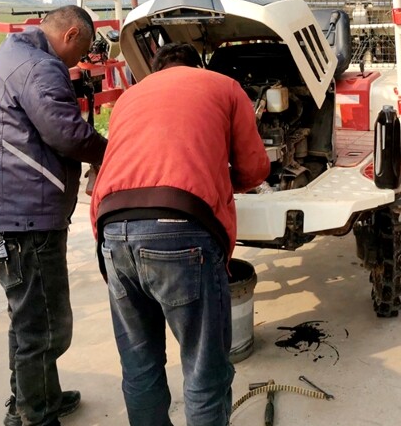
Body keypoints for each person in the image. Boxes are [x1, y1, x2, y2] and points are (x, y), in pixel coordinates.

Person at [89, 42, 270, 426]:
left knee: (139, 366)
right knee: (204, 372)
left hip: (112, 232)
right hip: (181, 232)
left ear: (155, 70)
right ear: (197, 66)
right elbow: (255, 169)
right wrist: (216, 181)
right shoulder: (223, 86)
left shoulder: (129, 97)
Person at [0, 5, 108, 426]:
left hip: (2, 212)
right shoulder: (40, 67)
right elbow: (67, 134)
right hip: (26, 218)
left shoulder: (7, 55)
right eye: (81, 51)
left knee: (26, 317)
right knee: (46, 326)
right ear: (70, 35)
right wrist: (111, 152)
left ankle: (33, 400)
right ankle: (37, 416)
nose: (79, 61)